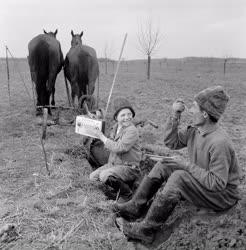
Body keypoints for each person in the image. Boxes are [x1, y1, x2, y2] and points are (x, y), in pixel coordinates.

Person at [113, 86, 241, 244]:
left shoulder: (219, 142)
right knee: (164, 164)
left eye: (194, 107)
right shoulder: (196, 130)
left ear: (205, 114)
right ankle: (135, 207)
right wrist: (175, 115)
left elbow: (217, 183)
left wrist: (186, 166)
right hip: (205, 181)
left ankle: (147, 230)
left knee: (179, 177)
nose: (190, 110)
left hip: (222, 196)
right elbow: (171, 142)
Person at [88, 97, 142, 202]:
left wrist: (102, 137)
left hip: (129, 167)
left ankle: (127, 194)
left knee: (104, 175)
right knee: (92, 177)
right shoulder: (115, 128)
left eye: (129, 114)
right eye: (123, 115)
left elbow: (120, 148)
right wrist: (97, 132)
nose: (127, 117)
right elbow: (109, 143)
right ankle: (113, 193)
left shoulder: (132, 130)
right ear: (116, 117)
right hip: (113, 164)